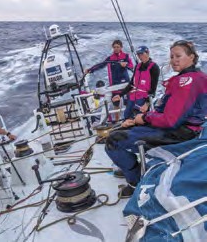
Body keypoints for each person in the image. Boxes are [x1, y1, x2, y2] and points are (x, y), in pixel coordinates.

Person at [105, 40, 207, 198]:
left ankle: (135, 181)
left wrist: (144, 117)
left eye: (178, 56)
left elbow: (171, 120)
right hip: (179, 128)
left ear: (192, 57)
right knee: (123, 129)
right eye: (172, 56)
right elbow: (165, 108)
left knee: (113, 141)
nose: (174, 60)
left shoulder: (187, 81)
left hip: (180, 133)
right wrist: (136, 120)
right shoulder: (193, 77)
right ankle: (131, 166)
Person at [85, 39, 134, 121]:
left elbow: (131, 66)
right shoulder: (110, 58)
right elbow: (100, 65)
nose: (116, 49)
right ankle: (117, 121)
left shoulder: (126, 56)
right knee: (116, 103)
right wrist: (90, 70)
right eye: (114, 47)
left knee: (128, 101)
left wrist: (126, 65)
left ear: (121, 47)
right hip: (114, 84)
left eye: (118, 47)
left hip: (125, 83)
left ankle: (130, 119)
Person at [112, 46, 160, 121]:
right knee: (126, 116)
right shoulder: (137, 66)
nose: (140, 56)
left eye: (142, 54)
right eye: (138, 54)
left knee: (138, 119)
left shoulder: (154, 67)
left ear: (147, 53)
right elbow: (131, 84)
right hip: (133, 97)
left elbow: (153, 88)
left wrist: (147, 104)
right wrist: (120, 95)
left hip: (143, 98)